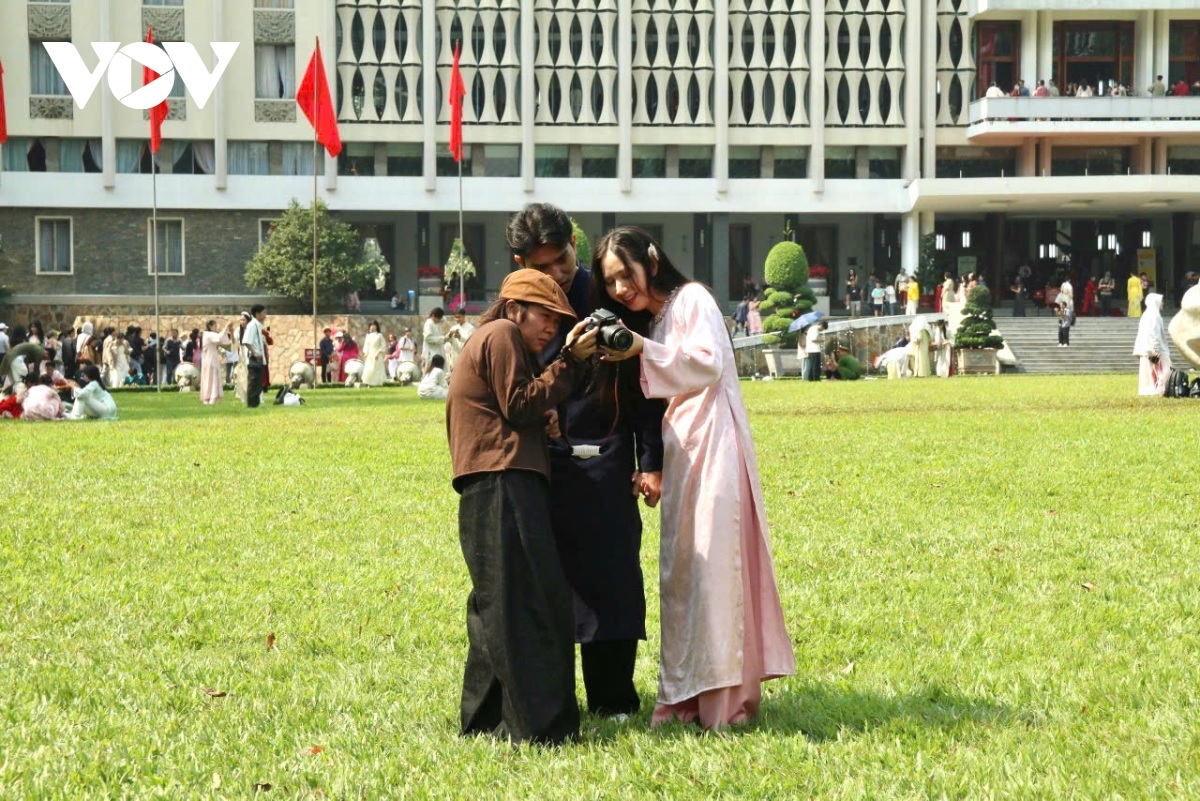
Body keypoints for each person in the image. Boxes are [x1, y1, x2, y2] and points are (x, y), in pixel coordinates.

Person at [594, 226, 795, 730]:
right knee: (682, 573)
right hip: (682, 450)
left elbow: (707, 365)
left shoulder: (693, 300)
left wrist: (641, 348)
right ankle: (683, 695)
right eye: (610, 282)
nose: (620, 289)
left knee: (715, 572)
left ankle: (723, 702)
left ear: (651, 261)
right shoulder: (654, 320)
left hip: (716, 444)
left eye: (625, 275)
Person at [506, 202, 665, 719]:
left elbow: (645, 383)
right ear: (520, 263)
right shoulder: (513, 308)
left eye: (564, 259)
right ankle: (551, 700)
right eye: (543, 266)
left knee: (612, 573)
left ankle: (612, 697)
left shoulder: (609, 293)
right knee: (545, 579)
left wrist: (651, 458)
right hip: (539, 454)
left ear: (575, 244)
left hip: (609, 448)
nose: (557, 273)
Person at [446, 269, 598, 746]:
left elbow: (516, 409)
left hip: (493, 480)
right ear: (515, 309)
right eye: (544, 317)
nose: (551, 328)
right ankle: (540, 727)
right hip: (503, 481)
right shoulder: (502, 333)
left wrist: (542, 417)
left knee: (498, 603)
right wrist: (569, 362)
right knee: (532, 603)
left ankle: (487, 719)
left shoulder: (494, 339)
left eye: (558, 321)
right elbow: (519, 405)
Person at [1133, 293, 1171, 395]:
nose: (1162, 303)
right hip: (1155, 348)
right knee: (1165, 369)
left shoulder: (1146, 314)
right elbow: (1155, 333)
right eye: (1161, 301)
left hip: (1146, 348)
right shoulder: (1155, 315)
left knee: (1147, 371)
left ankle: (1148, 389)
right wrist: (1156, 349)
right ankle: (1161, 388)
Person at [200, 320, 233, 404]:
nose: (216, 328)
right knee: (212, 378)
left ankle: (209, 398)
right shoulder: (208, 334)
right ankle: (212, 397)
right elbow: (219, 338)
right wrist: (226, 327)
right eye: (215, 326)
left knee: (209, 378)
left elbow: (225, 344)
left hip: (210, 358)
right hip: (210, 359)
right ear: (210, 326)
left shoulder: (209, 335)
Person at [243, 305, 268, 408]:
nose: (265, 315)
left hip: (259, 359)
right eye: (263, 313)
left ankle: (255, 404)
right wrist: (254, 352)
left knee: (258, 383)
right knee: (253, 382)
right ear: (257, 314)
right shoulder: (252, 325)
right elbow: (246, 341)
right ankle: (251, 405)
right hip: (254, 358)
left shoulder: (258, 325)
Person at [361, 320, 388, 386]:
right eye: (371, 326)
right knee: (369, 368)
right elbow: (366, 345)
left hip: (377, 354)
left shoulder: (379, 335)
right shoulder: (368, 336)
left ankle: (377, 383)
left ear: (376, 327)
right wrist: (365, 353)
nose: (372, 327)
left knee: (377, 368)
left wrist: (378, 353)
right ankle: (369, 383)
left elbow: (383, 345)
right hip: (370, 354)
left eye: (373, 325)